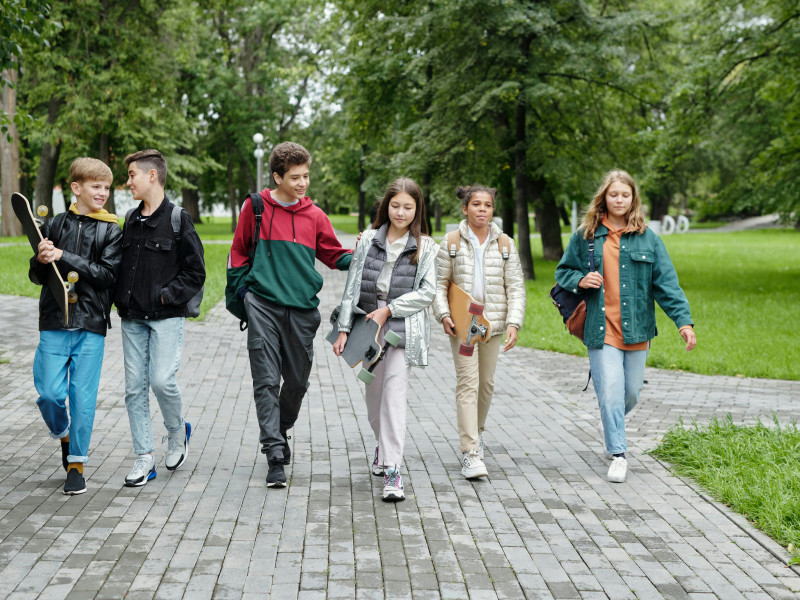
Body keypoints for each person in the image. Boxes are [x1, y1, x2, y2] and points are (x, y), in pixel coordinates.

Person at [555, 169, 696, 483]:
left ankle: (611, 422)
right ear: (604, 197)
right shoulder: (586, 236)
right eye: (613, 194)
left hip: (637, 329)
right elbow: (563, 271)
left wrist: (683, 322)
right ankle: (618, 453)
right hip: (600, 327)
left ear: (634, 199)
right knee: (611, 391)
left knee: (630, 393)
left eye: (625, 195)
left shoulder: (648, 238)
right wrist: (580, 279)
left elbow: (667, 285)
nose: (619, 200)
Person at [228, 142, 352, 488]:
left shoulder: (315, 215)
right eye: (295, 177)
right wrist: (244, 296)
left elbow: (333, 254)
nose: (302, 183)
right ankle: (274, 454)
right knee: (266, 380)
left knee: (297, 382)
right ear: (277, 176)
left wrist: (367, 252)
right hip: (262, 305)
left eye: (306, 176)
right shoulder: (254, 209)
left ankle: (280, 430)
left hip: (302, 310)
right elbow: (237, 253)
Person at [332, 178, 437, 502]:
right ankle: (382, 446)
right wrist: (344, 329)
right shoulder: (367, 241)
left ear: (417, 209)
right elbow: (352, 287)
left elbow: (428, 292)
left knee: (394, 398)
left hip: (401, 329)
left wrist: (390, 309)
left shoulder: (427, 246)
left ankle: (393, 469)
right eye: (395, 206)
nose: (401, 212)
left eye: (408, 207)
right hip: (368, 327)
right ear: (385, 206)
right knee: (374, 400)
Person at [30, 157, 123, 495]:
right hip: (54, 320)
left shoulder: (112, 229)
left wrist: (64, 257)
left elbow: (107, 276)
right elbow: (35, 275)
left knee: (82, 397)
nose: (102, 193)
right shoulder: (53, 225)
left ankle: (77, 465)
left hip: (91, 323)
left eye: (106, 188)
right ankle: (64, 434)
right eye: (96, 186)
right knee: (50, 394)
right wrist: (41, 259)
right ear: (76, 188)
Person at [115, 149, 206, 487]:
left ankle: (176, 431)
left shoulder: (178, 219)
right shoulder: (130, 219)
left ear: (152, 176)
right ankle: (144, 458)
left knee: (161, 380)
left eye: (132, 176)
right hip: (132, 318)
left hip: (166, 317)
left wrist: (166, 296)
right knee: (133, 390)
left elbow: (196, 272)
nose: (128, 183)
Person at [432, 185, 526, 480]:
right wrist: (444, 314)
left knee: (486, 384)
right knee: (468, 384)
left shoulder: (506, 245)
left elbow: (516, 288)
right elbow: (437, 284)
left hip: (493, 325)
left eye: (487, 205)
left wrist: (514, 322)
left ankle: (477, 431)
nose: (482, 209)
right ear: (465, 209)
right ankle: (471, 452)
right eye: (476, 204)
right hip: (463, 325)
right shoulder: (450, 243)